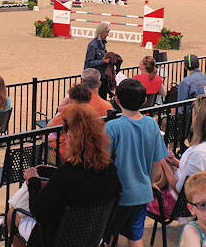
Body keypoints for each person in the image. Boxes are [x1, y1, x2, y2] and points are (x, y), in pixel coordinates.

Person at [7, 104, 121, 246]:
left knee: (12, 214)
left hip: (56, 239)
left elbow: (38, 211)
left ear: (70, 136)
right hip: (91, 238)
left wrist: (33, 181)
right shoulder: (110, 171)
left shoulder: (66, 173)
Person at [105, 78, 169, 247]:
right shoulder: (151, 124)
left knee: (109, 236)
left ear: (117, 101)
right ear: (144, 101)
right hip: (141, 192)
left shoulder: (112, 127)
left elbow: (103, 160)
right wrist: (149, 182)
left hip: (118, 194)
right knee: (135, 237)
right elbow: (157, 163)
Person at [147, 96, 206, 218]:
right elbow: (199, 173)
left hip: (178, 205)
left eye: (194, 114)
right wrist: (176, 162)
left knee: (139, 195)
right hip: (203, 199)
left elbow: (180, 190)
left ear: (199, 119)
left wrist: (162, 161)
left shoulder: (199, 152)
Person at [83, 22, 112, 99]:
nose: (108, 34)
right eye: (107, 32)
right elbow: (89, 63)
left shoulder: (102, 44)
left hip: (101, 77)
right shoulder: (93, 45)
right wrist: (103, 61)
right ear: (101, 32)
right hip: (94, 80)